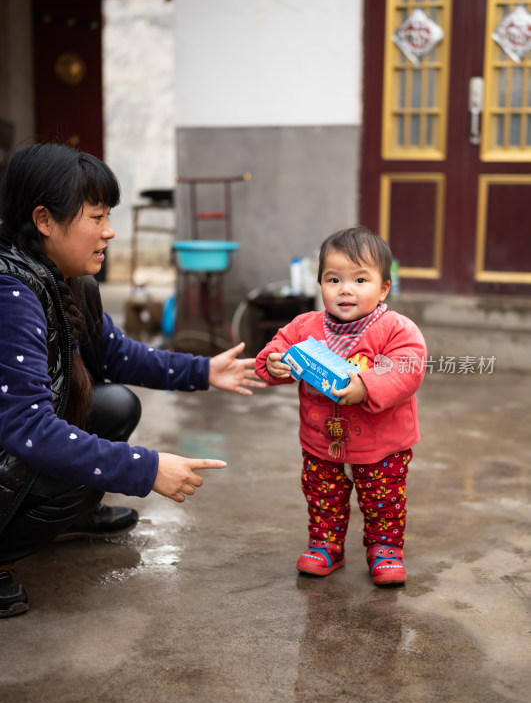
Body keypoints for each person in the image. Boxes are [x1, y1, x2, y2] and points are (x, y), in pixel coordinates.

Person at [0, 142, 265, 618]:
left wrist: (204, 371)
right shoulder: (11, 294)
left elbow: (117, 354)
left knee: (115, 405)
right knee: (78, 474)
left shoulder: (69, 281)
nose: (110, 231)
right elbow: (27, 429)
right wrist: (145, 468)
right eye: (96, 217)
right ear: (44, 220)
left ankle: (69, 520)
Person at [255, 226, 427, 586]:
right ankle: (325, 545)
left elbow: (407, 367)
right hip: (322, 438)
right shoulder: (305, 326)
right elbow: (275, 350)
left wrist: (366, 386)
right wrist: (273, 363)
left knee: (383, 499)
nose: (345, 289)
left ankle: (385, 548)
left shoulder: (397, 329)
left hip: (382, 443)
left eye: (360, 279)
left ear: (383, 288)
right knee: (323, 493)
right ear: (320, 285)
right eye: (333, 279)